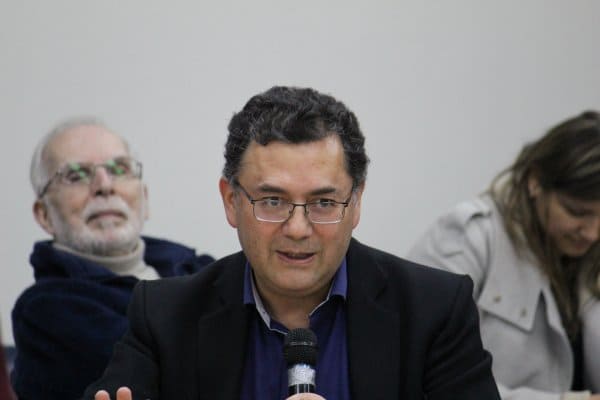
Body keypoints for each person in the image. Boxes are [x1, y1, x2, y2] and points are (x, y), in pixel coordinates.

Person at [83, 86, 500, 400]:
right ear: (231, 201)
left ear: (355, 203)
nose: (298, 229)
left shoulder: (434, 310)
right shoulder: (165, 315)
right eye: (272, 201)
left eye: (323, 203)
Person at [11, 118, 215, 400]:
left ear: (144, 198)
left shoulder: (199, 268)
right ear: (44, 214)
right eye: (76, 175)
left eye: (120, 169)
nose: (104, 186)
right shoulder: (44, 312)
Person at [407, 111, 600, 400]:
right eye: (577, 212)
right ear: (535, 181)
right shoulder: (471, 237)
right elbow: (421, 373)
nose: (593, 233)